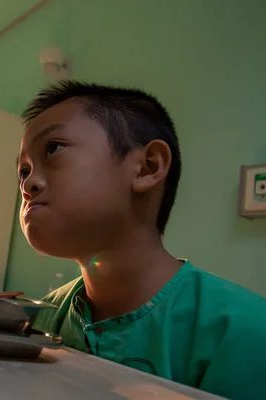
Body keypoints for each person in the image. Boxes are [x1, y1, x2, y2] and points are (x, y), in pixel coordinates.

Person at [18, 81, 266, 399]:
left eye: (53, 149)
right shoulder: (37, 321)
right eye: (23, 171)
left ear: (147, 167)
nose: (29, 184)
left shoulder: (247, 334)